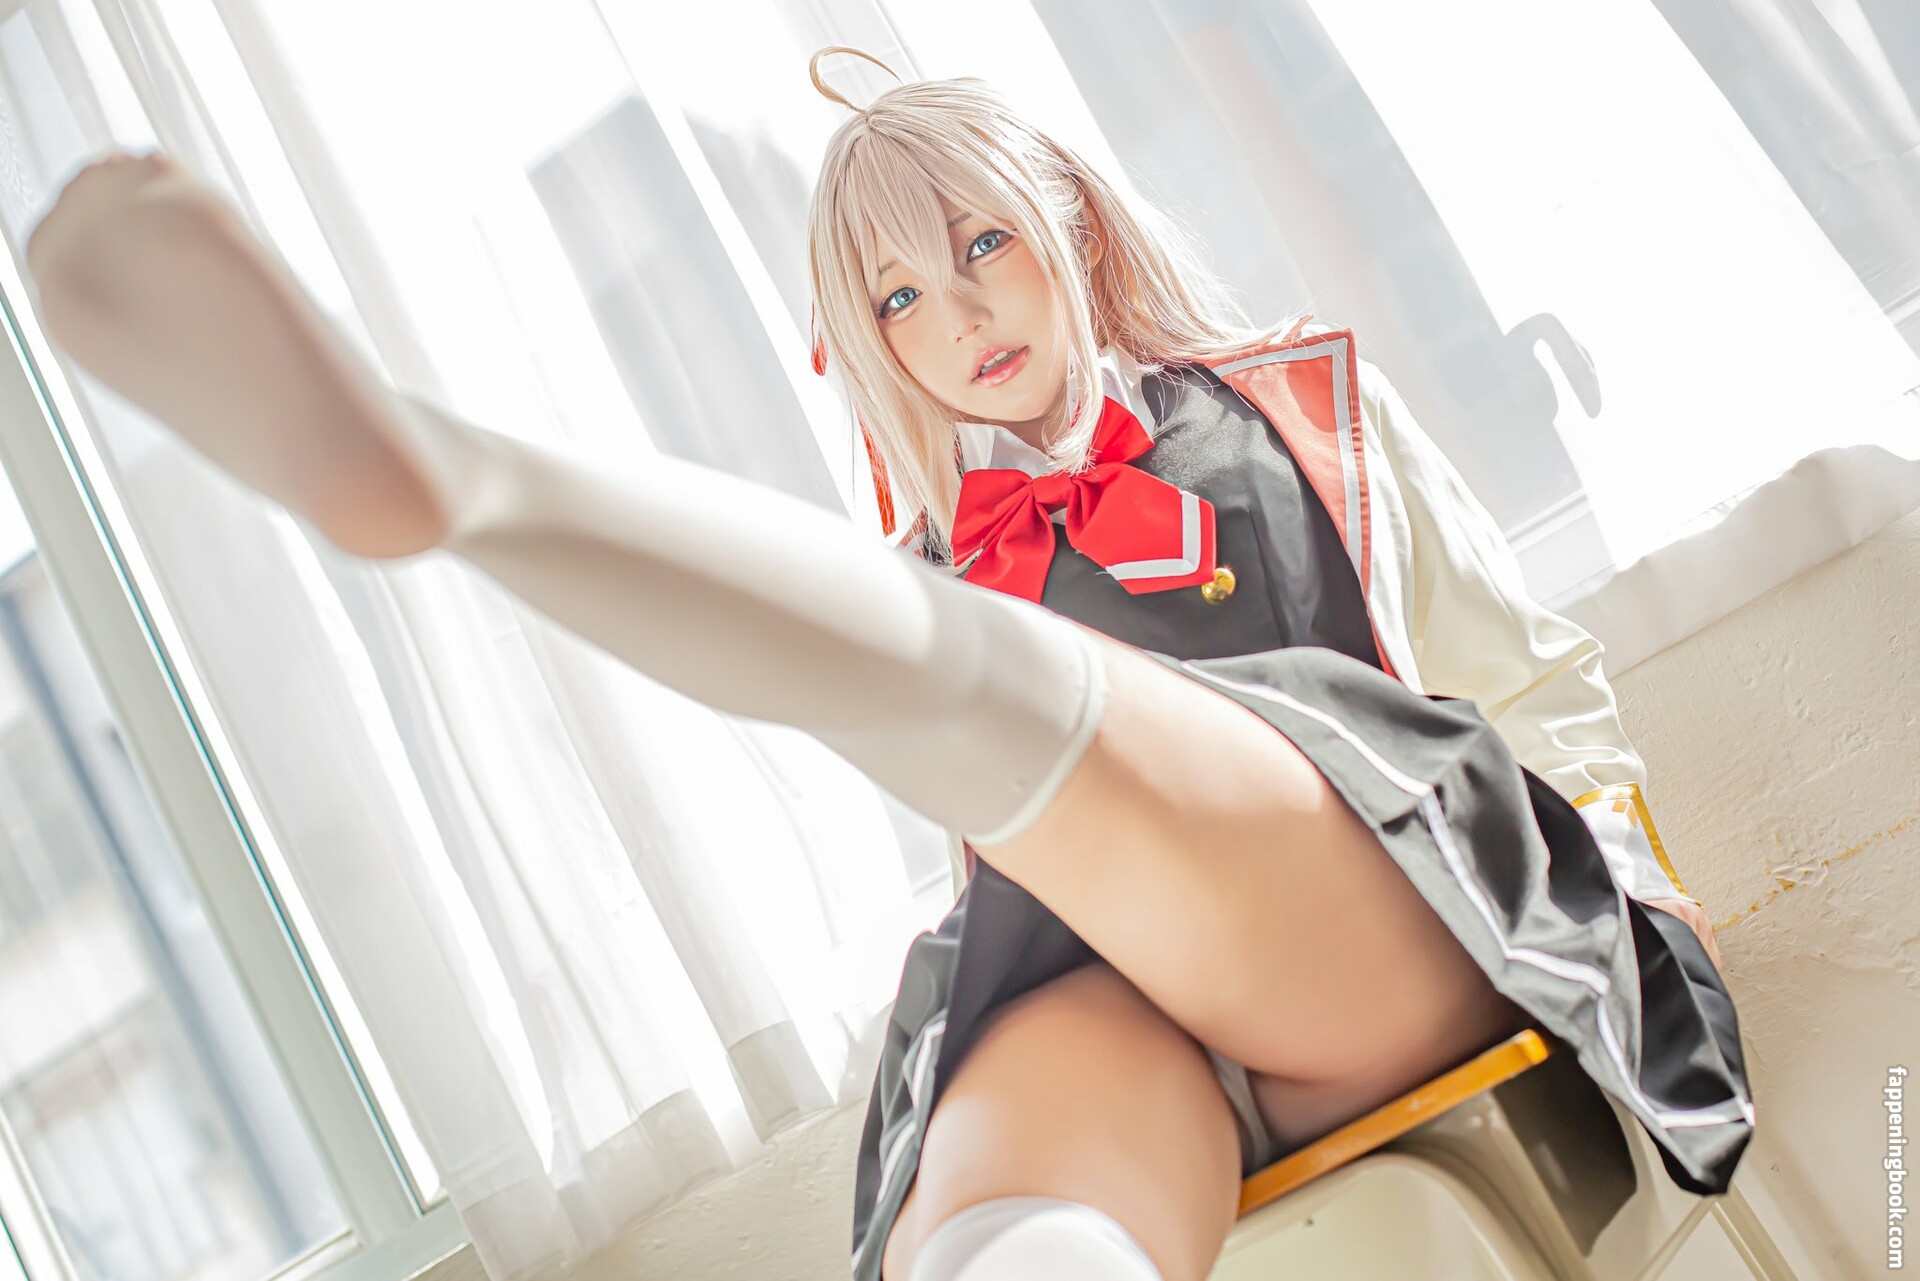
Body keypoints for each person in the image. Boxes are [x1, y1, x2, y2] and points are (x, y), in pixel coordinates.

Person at [22, 56, 1748, 1281]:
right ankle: (440, 490)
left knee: (946, 675)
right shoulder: (943, 554)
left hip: (1384, 918)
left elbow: (1531, 683)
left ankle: (463, 487)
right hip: (1126, 1001)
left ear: (1070, 224)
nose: (961, 315)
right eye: (904, 300)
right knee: (994, 1219)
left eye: (983, 246)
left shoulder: (1301, 406)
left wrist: (1631, 911)